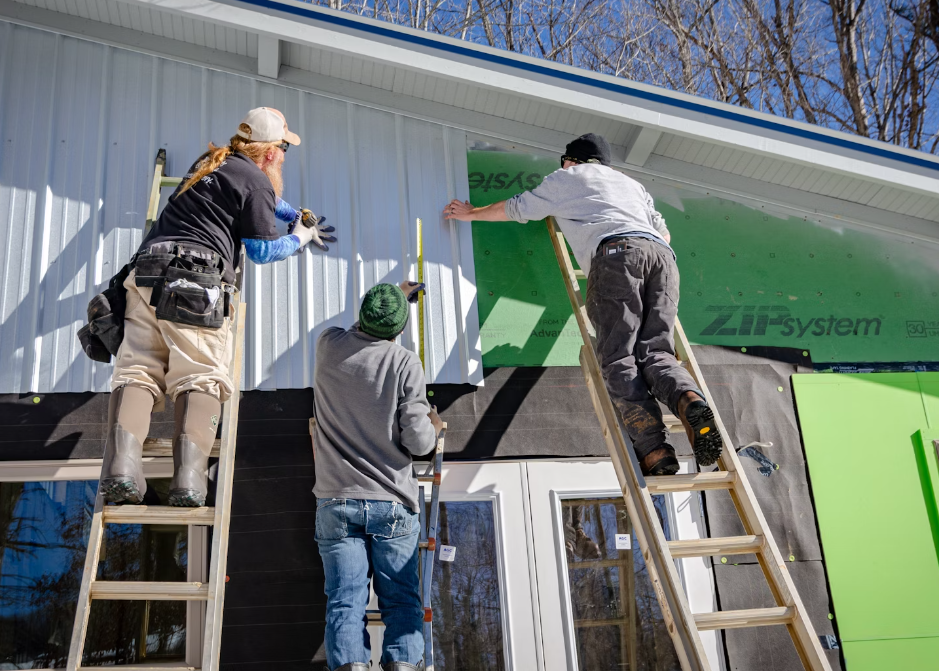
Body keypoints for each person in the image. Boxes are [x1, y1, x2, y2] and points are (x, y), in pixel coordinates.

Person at [443, 133, 722, 476]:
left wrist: (472, 213)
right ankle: (689, 399)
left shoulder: (569, 177)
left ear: (571, 160)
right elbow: (663, 235)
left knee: (619, 355)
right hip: (663, 260)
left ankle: (655, 452)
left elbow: (519, 208)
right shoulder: (631, 185)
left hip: (617, 256)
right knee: (658, 353)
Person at [100, 107, 337, 507]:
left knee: (138, 370)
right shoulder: (257, 183)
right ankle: (189, 481)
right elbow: (261, 250)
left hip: (146, 272)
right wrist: (299, 236)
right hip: (195, 283)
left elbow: (258, 197)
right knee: (201, 375)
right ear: (270, 154)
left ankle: (122, 469)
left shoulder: (212, 162)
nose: (283, 156)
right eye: (283, 148)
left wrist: (293, 213)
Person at [312, 281, 442, 671]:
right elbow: (419, 444)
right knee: (401, 600)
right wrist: (433, 425)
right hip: (391, 503)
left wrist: (394, 299)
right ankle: (402, 664)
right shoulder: (404, 362)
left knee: (344, 600)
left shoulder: (328, 345)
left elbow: (357, 330)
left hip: (336, 500)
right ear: (398, 329)